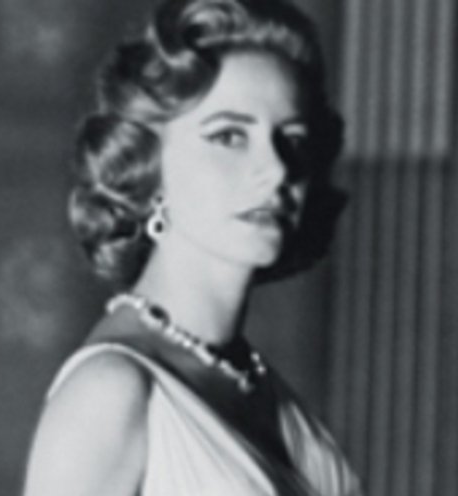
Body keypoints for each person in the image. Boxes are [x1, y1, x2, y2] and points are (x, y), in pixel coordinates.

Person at [21, 0, 362, 494]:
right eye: (230, 136)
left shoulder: (256, 385)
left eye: (292, 140)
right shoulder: (110, 391)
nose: (276, 170)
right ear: (146, 163)